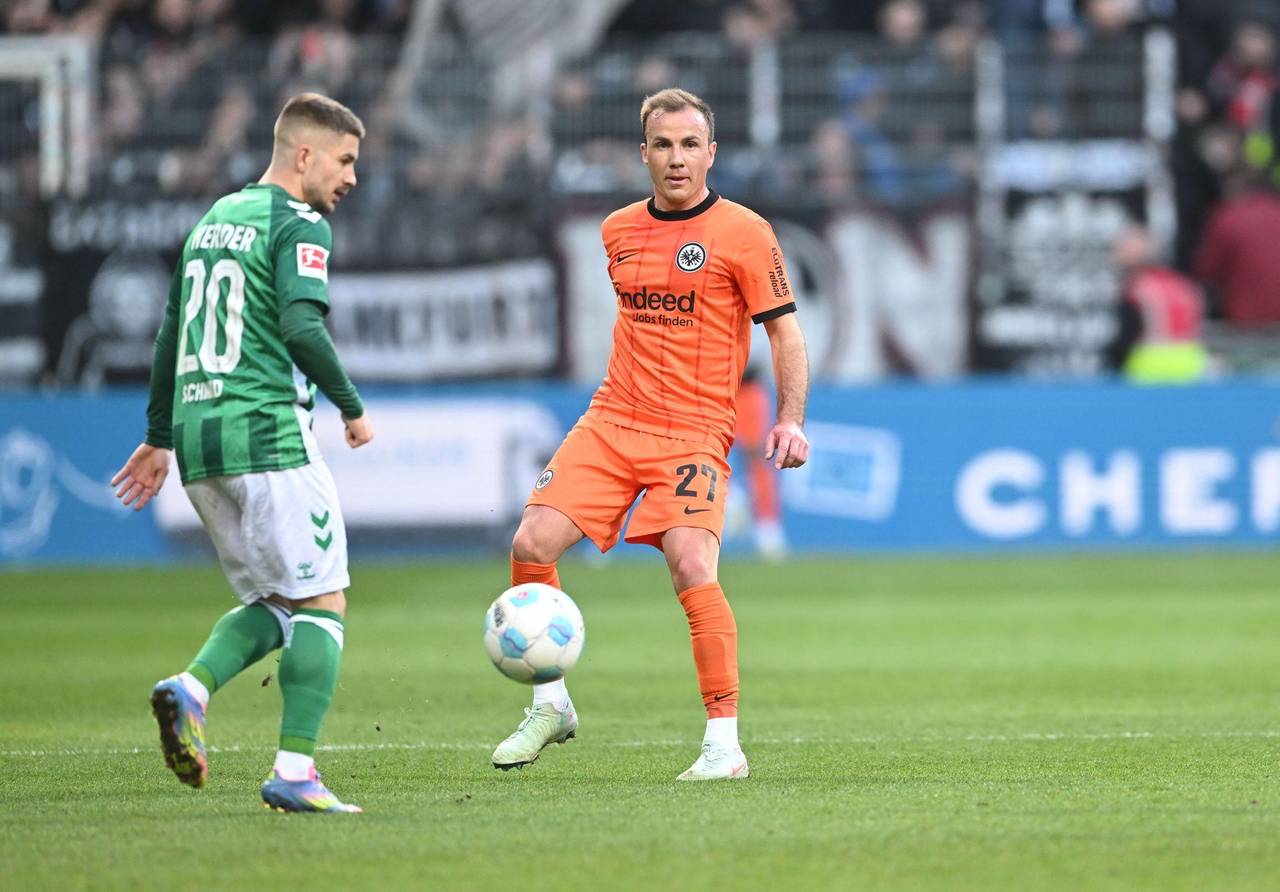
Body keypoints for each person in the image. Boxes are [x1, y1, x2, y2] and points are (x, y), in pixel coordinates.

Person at [491, 87, 811, 781]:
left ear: (711, 153)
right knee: (530, 543)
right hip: (612, 420)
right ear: (643, 154)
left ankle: (723, 744)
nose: (677, 158)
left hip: (694, 431)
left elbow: (785, 333)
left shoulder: (746, 233)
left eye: (690, 144)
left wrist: (789, 418)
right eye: (663, 145)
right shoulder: (617, 231)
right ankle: (550, 704)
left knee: (692, 563)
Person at [110, 93, 373, 814]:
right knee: (323, 599)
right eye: (345, 160)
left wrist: (159, 435)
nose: (352, 177)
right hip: (267, 435)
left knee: (277, 602)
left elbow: (170, 334)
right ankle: (295, 771)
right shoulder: (299, 223)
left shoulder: (213, 220)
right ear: (304, 154)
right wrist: (350, 405)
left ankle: (190, 689)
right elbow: (300, 327)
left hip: (201, 444)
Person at [1109, 224, 1208, 382]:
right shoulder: (1184, 285)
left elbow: (1126, 335)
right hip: (1191, 363)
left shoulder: (1139, 288)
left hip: (1150, 364)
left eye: (1120, 248)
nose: (1115, 255)